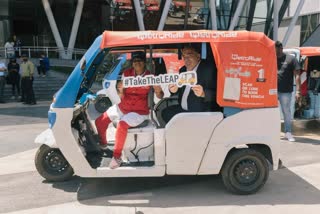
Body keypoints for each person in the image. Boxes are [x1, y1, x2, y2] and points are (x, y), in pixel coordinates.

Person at [95, 51, 163, 169]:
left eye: (139, 61)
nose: (137, 63)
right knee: (100, 121)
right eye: (135, 61)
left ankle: (117, 156)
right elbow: (121, 96)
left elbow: (160, 96)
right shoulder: (126, 74)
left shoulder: (151, 77)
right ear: (132, 63)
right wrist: (120, 90)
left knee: (122, 125)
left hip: (139, 112)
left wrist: (157, 90)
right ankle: (103, 144)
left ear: (144, 63)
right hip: (123, 107)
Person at [161, 44, 219, 123]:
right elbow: (179, 88)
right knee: (166, 112)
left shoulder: (208, 70)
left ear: (198, 56)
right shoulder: (183, 70)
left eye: (189, 55)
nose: (186, 59)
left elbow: (218, 94)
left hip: (200, 112)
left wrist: (203, 93)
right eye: (184, 56)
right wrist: (174, 90)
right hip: (183, 110)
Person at [275, 41, 301, 142]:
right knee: (271, 112)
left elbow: (297, 75)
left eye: (276, 50)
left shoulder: (291, 59)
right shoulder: (271, 57)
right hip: (272, 91)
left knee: (286, 112)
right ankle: (273, 132)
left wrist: (298, 91)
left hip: (285, 91)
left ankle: (288, 132)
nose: (275, 53)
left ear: (281, 48)